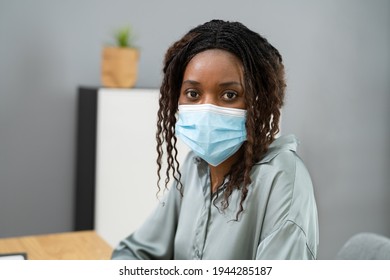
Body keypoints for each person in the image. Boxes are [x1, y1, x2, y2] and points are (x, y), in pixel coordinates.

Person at [111, 19, 319, 260]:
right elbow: (134, 252)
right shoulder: (194, 167)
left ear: (259, 102)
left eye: (229, 95)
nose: (207, 108)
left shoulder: (283, 180)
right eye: (193, 94)